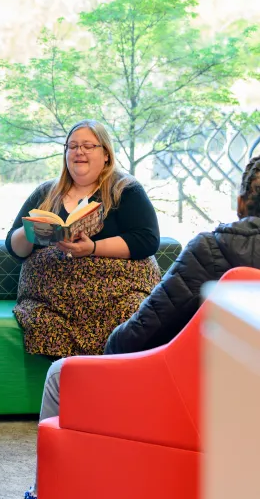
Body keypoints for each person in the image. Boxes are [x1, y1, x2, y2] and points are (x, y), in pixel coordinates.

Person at [23, 156, 260, 499]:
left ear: (241, 203)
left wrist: (110, 347)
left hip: (199, 403)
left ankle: (44, 491)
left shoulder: (210, 251)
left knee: (62, 374)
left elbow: (135, 338)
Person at [7, 119, 161, 358]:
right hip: (51, 300)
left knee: (131, 315)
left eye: (88, 146)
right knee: (45, 324)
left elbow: (147, 240)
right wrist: (29, 232)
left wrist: (93, 248)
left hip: (115, 297)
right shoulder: (46, 193)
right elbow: (14, 248)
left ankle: (109, 386)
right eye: (72, 146)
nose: (79, 151)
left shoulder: (126, 189)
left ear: (106, 154)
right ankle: (66, 382)